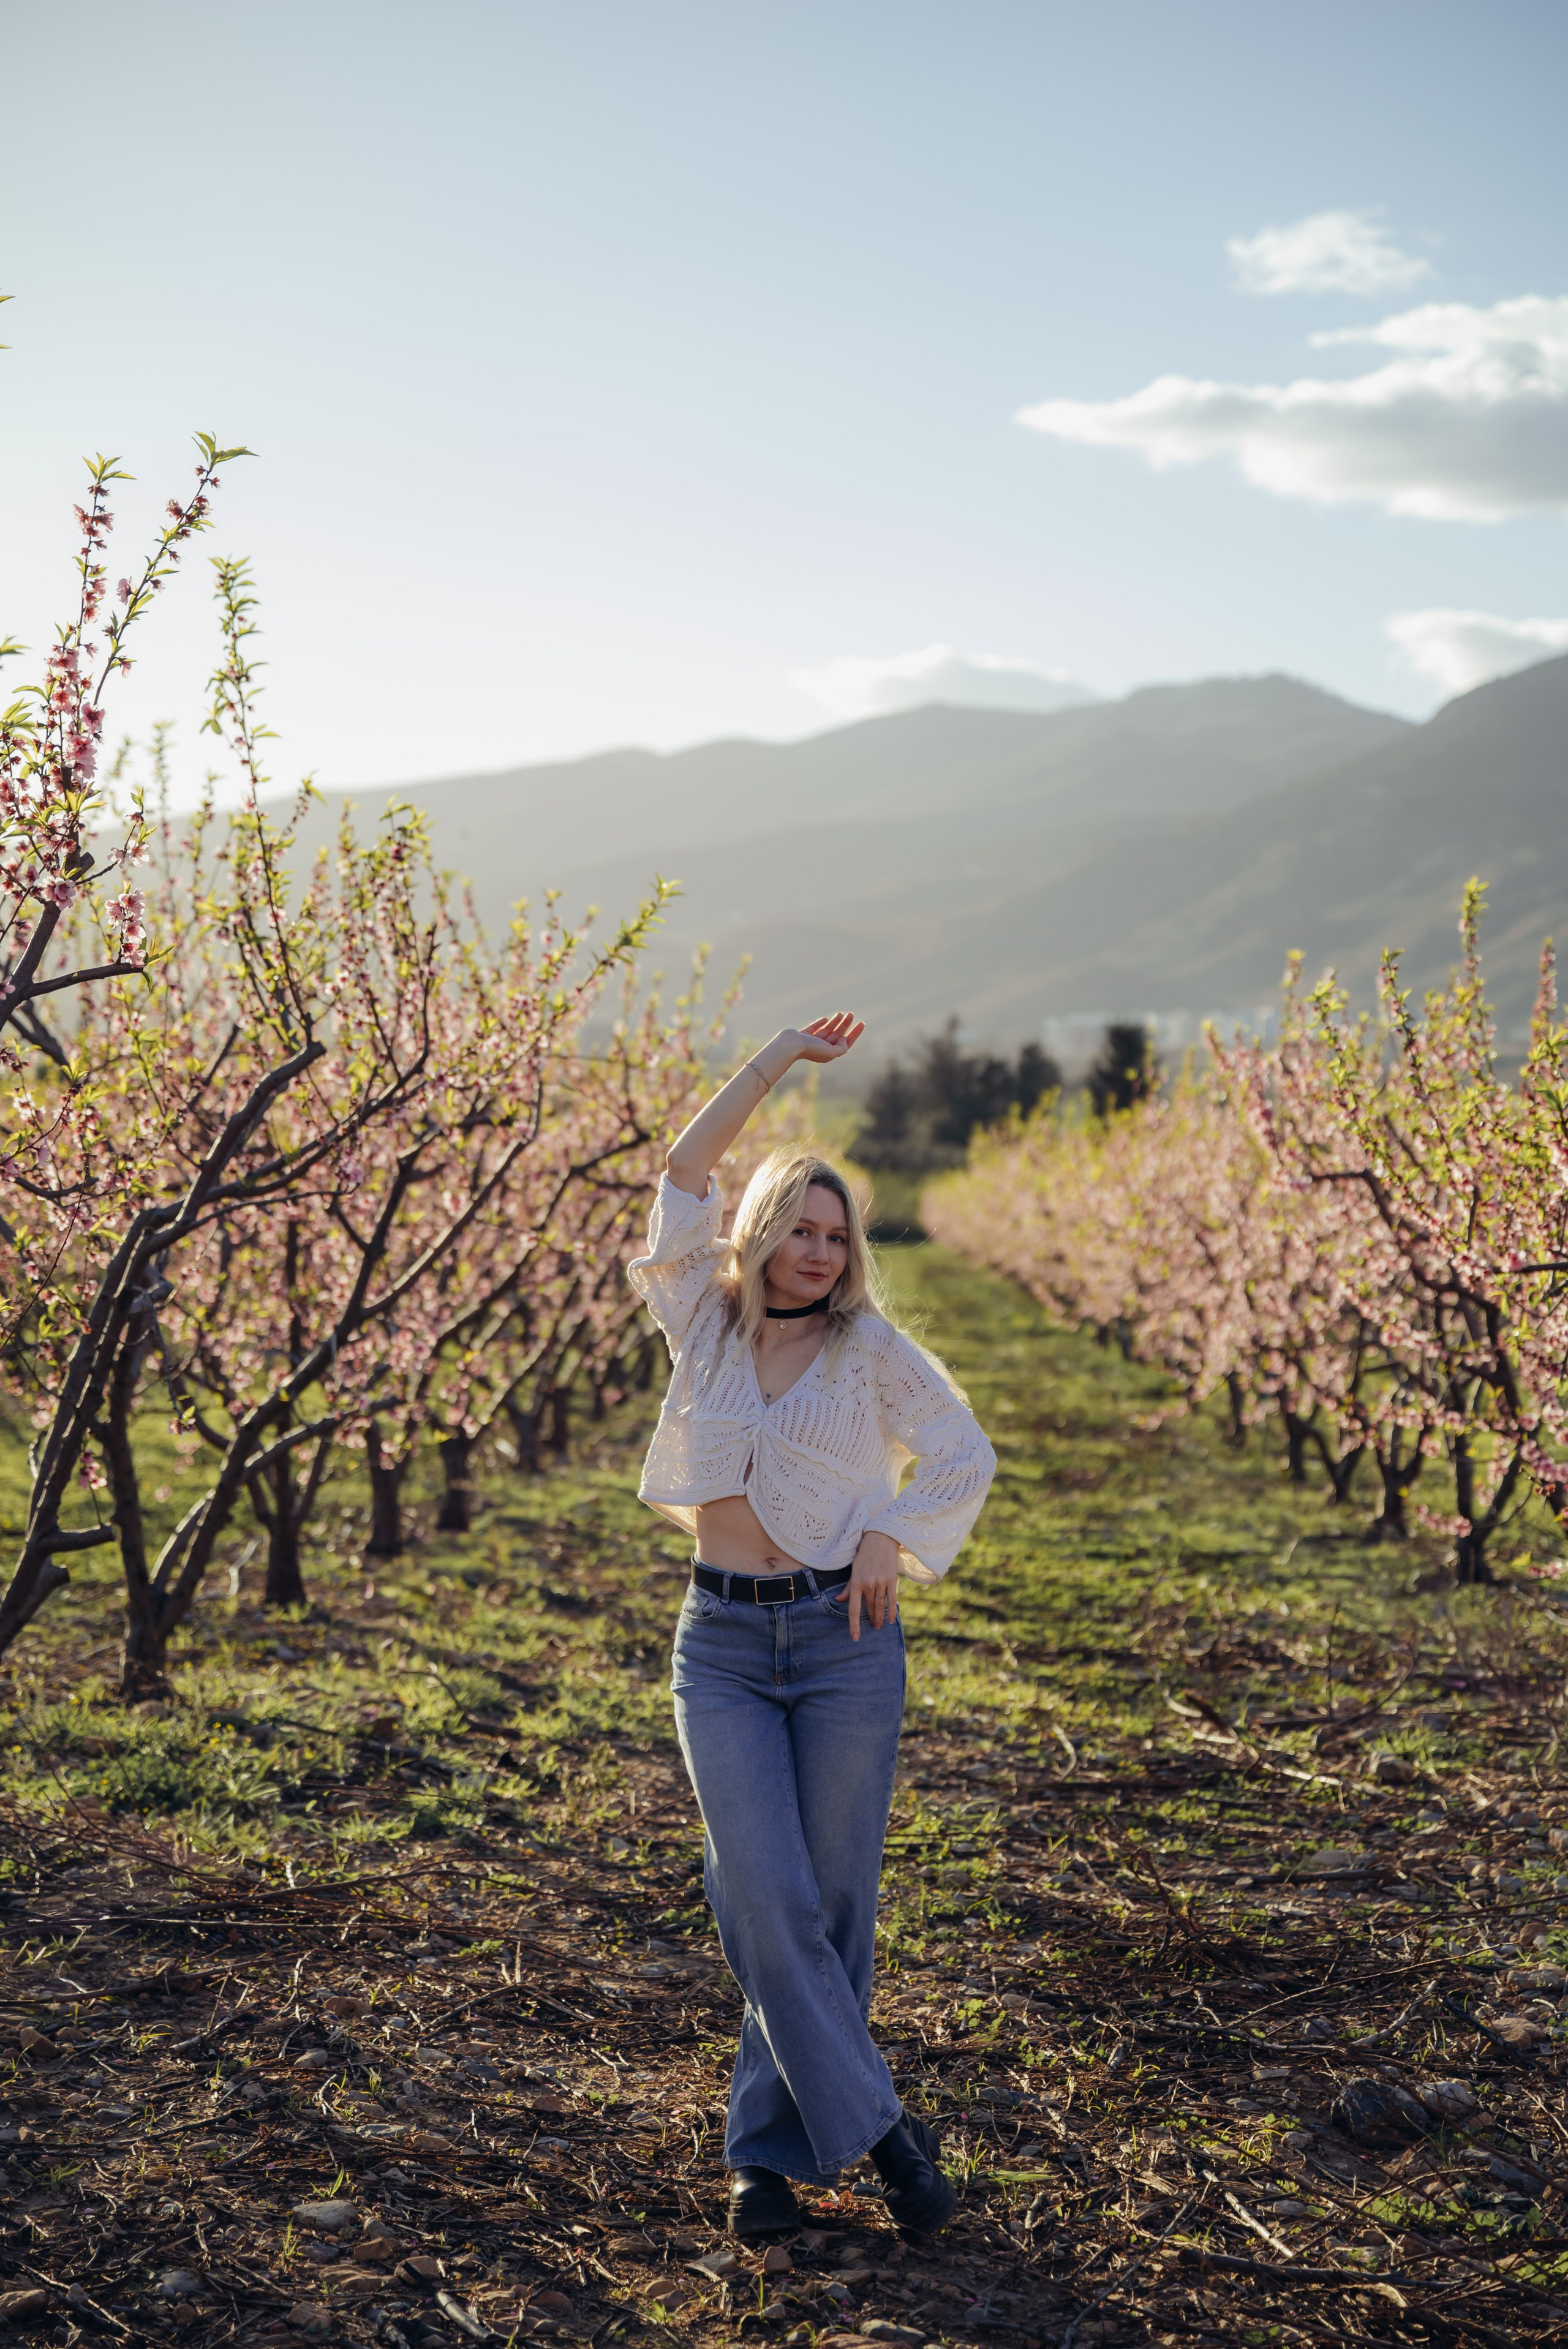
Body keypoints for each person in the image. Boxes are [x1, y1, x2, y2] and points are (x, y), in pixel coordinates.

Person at [627, 1011, 997, 2240]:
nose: (820, 1251)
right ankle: (887, 2133)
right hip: (722, 1647)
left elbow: (959, 1453)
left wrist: (889, 1532)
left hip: (841, 1647)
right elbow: (680, 1173)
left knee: (827, 1906)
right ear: (763, 1228)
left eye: (837, 1237)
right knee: (764, 1895)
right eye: (802, 1226)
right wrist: (776, 1058)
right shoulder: (704, 1320)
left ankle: (764, 2157)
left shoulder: (869, 1350)